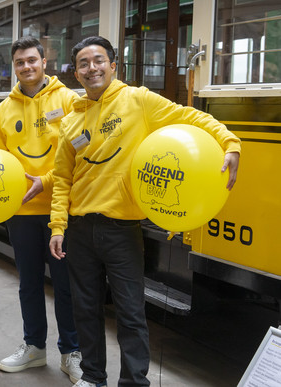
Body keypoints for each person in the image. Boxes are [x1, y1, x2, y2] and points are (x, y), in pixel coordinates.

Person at [48, 36, 241, 387]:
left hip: (122, 229)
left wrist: (229, 141)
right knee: (86, 310)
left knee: (131, 313)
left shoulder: (137, 100)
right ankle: (93, 376)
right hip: (78, 230)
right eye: (84, 64)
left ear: (113, 65)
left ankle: (134, 382)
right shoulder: (70, 122)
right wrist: (58, 225)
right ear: (76, 73)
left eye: (98, 60)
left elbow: (189, 116)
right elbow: (62, 178)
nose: (92, 68)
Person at [0, 36, 82, 383]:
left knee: (65, 284)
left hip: (60, 208)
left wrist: (47, 180)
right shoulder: (3, 111)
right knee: (28, 283)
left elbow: (81, 151)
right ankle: (34, 348)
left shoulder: (69, 100)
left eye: (31, 60)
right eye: (20, 63)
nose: (26, 67)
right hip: (22, 211)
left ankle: (71, 352)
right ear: (15, 68)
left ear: (45, 63)